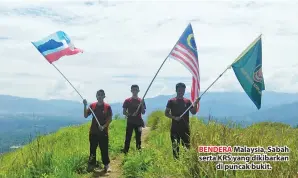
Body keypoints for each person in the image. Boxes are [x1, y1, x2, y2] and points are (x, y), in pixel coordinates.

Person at [165, 82, 199, 159]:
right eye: (179, 90)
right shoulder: (171, 101)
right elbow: (166, 113)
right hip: (174, 129)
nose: (181, 92)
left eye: (183, 90)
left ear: (184, 91)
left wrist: (196, 103)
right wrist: (174, 117)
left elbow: (193, 112)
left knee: (187, 149)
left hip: (185, 129)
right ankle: (175, 165)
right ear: (176, 90)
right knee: (175, 149)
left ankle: (186, 165)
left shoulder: (187, 101)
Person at [83, 89, 112, 173]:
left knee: (104, 149)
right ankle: (92, 165)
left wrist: (103, 126)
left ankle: (106, 165)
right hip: (93, 132)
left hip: (103, 133)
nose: (99, 96)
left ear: (104, 96)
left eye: (101, 95)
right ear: (96, 96)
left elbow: (110, 119)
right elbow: (85, 115)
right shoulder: (92, 106)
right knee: (92, 149)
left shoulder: (107, 107)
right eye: (98, 95)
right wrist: (85, 105)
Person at [122, 84, 146, 154]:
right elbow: (124, 112)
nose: (135, 91)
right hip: (130, 122)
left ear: (138, 91)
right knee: (128, 137)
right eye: (133, 90)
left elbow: (143, 112)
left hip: (139, 122)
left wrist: (141, 104)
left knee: (138, 137)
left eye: (136, 90)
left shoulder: (141, 100)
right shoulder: (127, 100)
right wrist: (130, 115)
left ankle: (138, 151)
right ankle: (125, 151)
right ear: (131, 91)